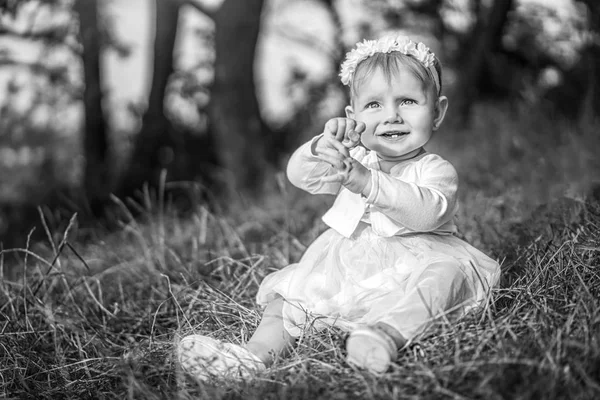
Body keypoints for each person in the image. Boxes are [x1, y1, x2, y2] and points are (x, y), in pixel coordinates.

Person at [176, 34, 501, 380]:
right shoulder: (354, 157)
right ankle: (251, 359)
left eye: (407, 101)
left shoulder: (435, 169)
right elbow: (302, 176)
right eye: (374, 105)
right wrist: (324, 145)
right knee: (288, 299)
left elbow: (427, 212)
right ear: (353, 115)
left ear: (437, 112)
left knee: (443, 278)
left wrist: (367, 182)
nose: (391, 116)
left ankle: (383, 336)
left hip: (414, 265)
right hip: (348, 268)